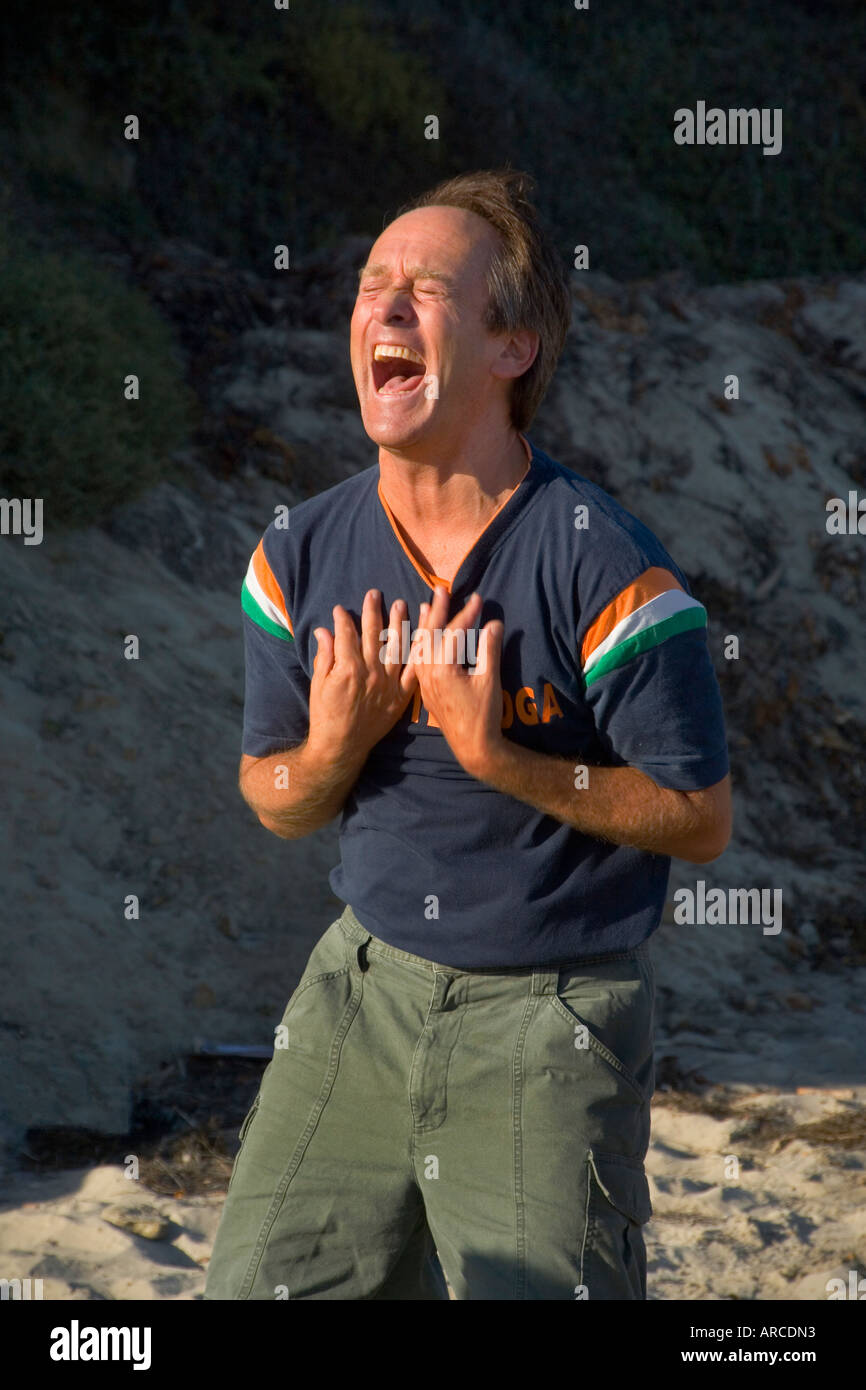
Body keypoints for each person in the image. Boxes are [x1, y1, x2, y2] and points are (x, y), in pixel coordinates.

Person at [204, 169, 731, 1301]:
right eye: (371, 285)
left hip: (549, 1014)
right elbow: (274, 795)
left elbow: (696, 817)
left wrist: (500, 758)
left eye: (427, 289)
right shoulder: (295, 559)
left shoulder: (601, 568)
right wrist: (338, 744)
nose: (383, 308)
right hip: (359, 990)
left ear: (512, 347)